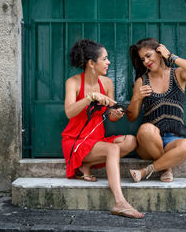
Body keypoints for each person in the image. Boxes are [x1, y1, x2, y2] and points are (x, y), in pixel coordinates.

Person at [61, 39, 144, 218]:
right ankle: (119, 202)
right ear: (92, 63)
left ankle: (84, 166)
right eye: (105, 59)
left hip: (96, 141)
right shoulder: (73, 82)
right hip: (75, 141)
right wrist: (90, 97)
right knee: (113, 148)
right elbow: (69, 111)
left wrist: (116, 114)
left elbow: (109, 117)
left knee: (130, 141)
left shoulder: (107, 83)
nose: (108, 62)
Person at [127, 38, 186, 182]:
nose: (146, 61)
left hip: (173, 140)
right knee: (146, 129)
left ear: (159, 52)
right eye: (142, 59)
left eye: (148, 56)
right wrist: (136, 97)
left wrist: (171, 56)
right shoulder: (142, 81)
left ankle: (146, 171)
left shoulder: (178, 74)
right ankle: (167, 167)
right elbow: (131, 117)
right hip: (148, 142)